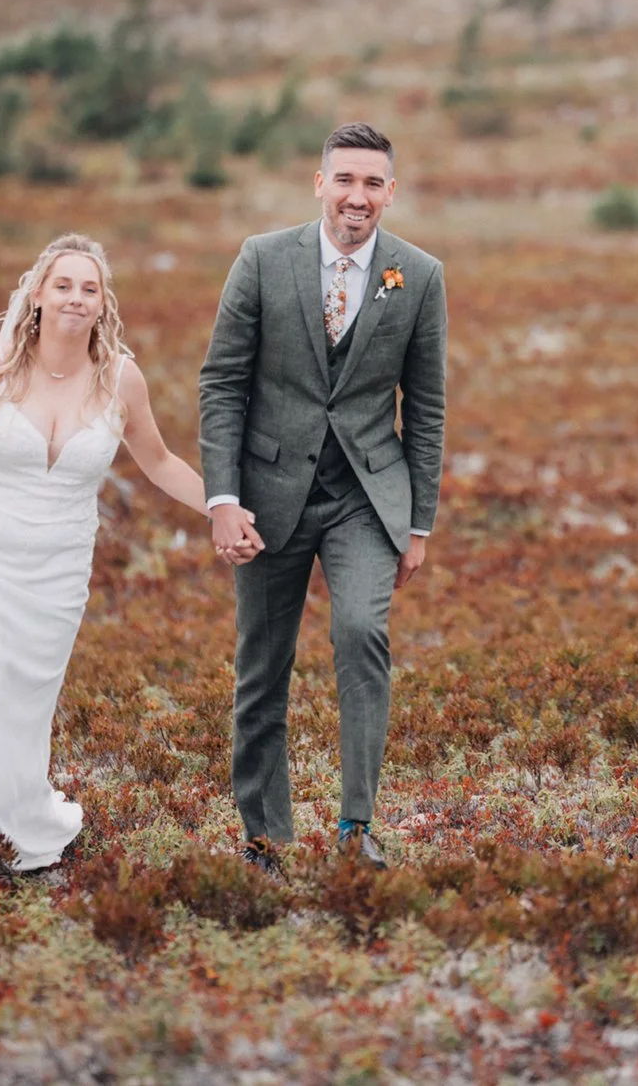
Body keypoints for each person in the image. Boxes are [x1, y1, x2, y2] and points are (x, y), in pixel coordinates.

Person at [0, 234, 245, 904]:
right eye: (63, 284)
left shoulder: (121, 377)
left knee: (23, 709)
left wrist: (223, 507)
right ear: (38, 293)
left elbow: (157, 463)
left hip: (58, 572)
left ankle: (22, 819)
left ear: (103, 303)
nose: (75, 297)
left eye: (89, 288)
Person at [200, 123, 447, 870]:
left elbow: (426, 406)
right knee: (262, 663)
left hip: (368, 500)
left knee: (360, 635)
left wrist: (421, 524)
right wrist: (222, 498)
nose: (357, 197)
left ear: (391, 193)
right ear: (319, 184)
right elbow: (222, 384)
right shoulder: (262, 259)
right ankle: (265, 835)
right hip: (269, 494)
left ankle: (356, 827)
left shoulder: (419, 276)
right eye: (344, 180)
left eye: (373, 184)